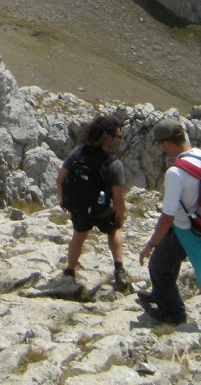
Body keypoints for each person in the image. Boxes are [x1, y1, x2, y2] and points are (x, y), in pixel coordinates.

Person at [138, 117, 201, 325]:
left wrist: (151, 244)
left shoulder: (176, 172)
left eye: (161, 145)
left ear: (166, 144)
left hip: (185, 229)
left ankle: (175, 314)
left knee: (158, 266)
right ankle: (160, 295)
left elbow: (168, 215)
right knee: (168, 263)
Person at [56, 114, 127, 283]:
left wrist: (63, 200)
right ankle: (119, 270)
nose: (118, 140)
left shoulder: (78, 152)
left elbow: (60, 179)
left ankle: (70, 271)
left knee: (79, 235)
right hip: (102, 209)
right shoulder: (113, 164)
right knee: (113, 231)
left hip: (79, 207)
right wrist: (120, 216)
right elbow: (118, 198)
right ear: (107, 138)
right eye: (117, 136)